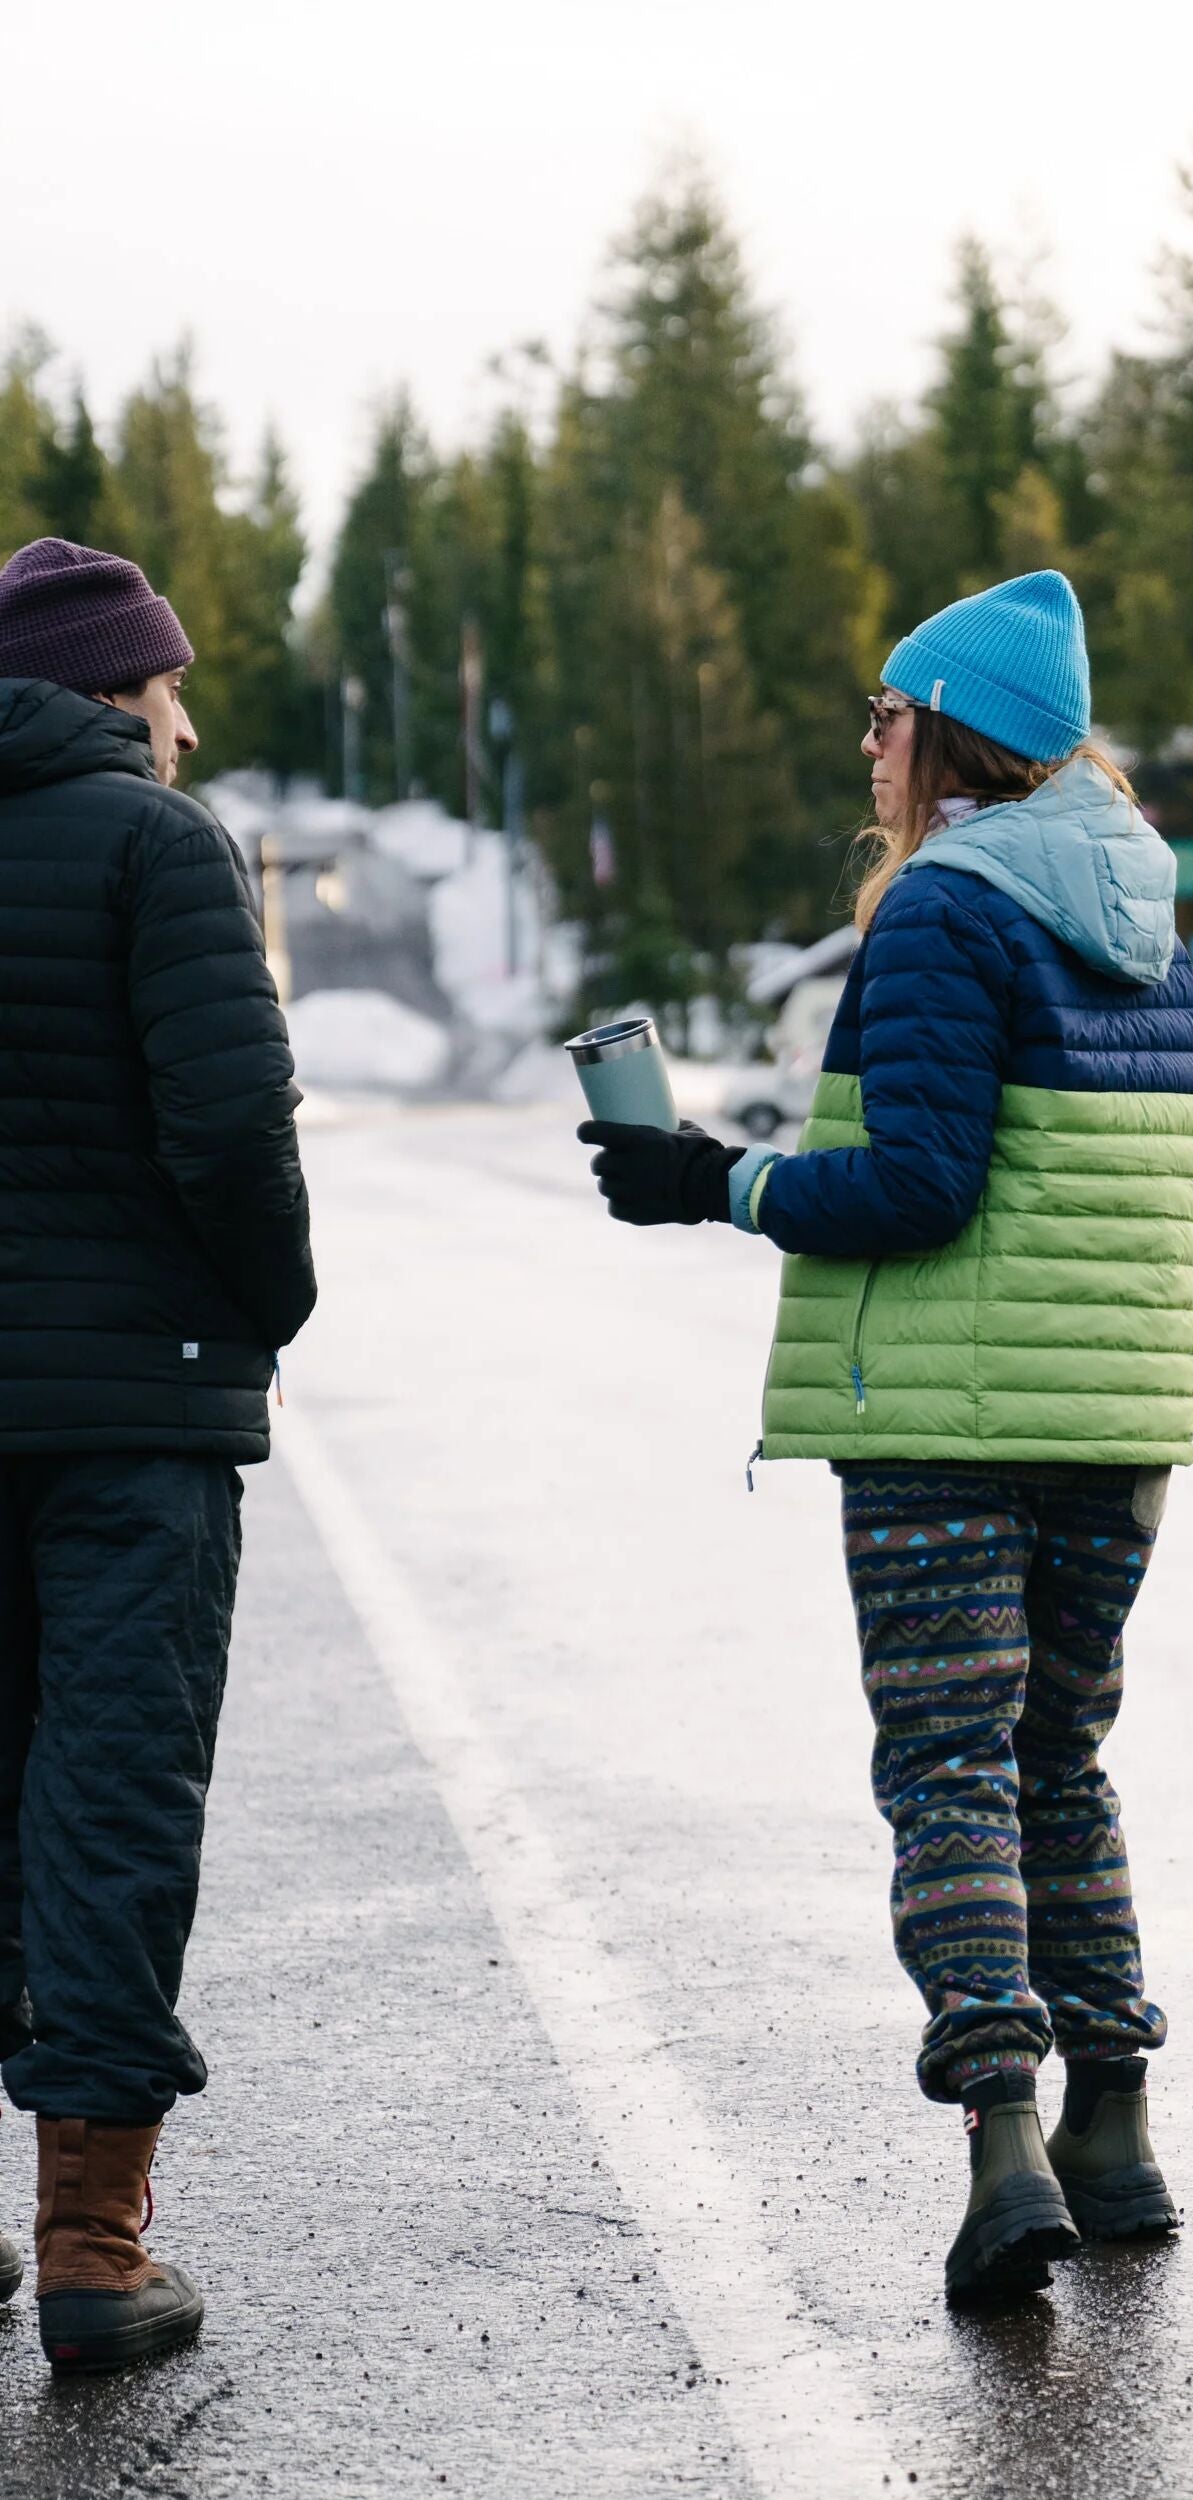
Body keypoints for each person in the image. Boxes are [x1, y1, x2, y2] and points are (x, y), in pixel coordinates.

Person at [580, 571, 1193, 2300]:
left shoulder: (942, 909)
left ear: (946, 737)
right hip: (1115, 1418)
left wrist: (720, 1178)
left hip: (946, 1421)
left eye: (885, 714)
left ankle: (1005, 2141)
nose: (868, 744)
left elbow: (921, 1186)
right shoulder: (1151, 915)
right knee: (1060, 1757)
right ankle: (1116, 2122)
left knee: (950, 1767)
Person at [0, 537, 316, 2370]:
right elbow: (232, 1125)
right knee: (112, 1801)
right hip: (132, 1413)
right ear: (120, 690)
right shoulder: (156, 847)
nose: (185, 721)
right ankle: (95, 2251)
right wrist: (267, 1310)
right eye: (172, 687)